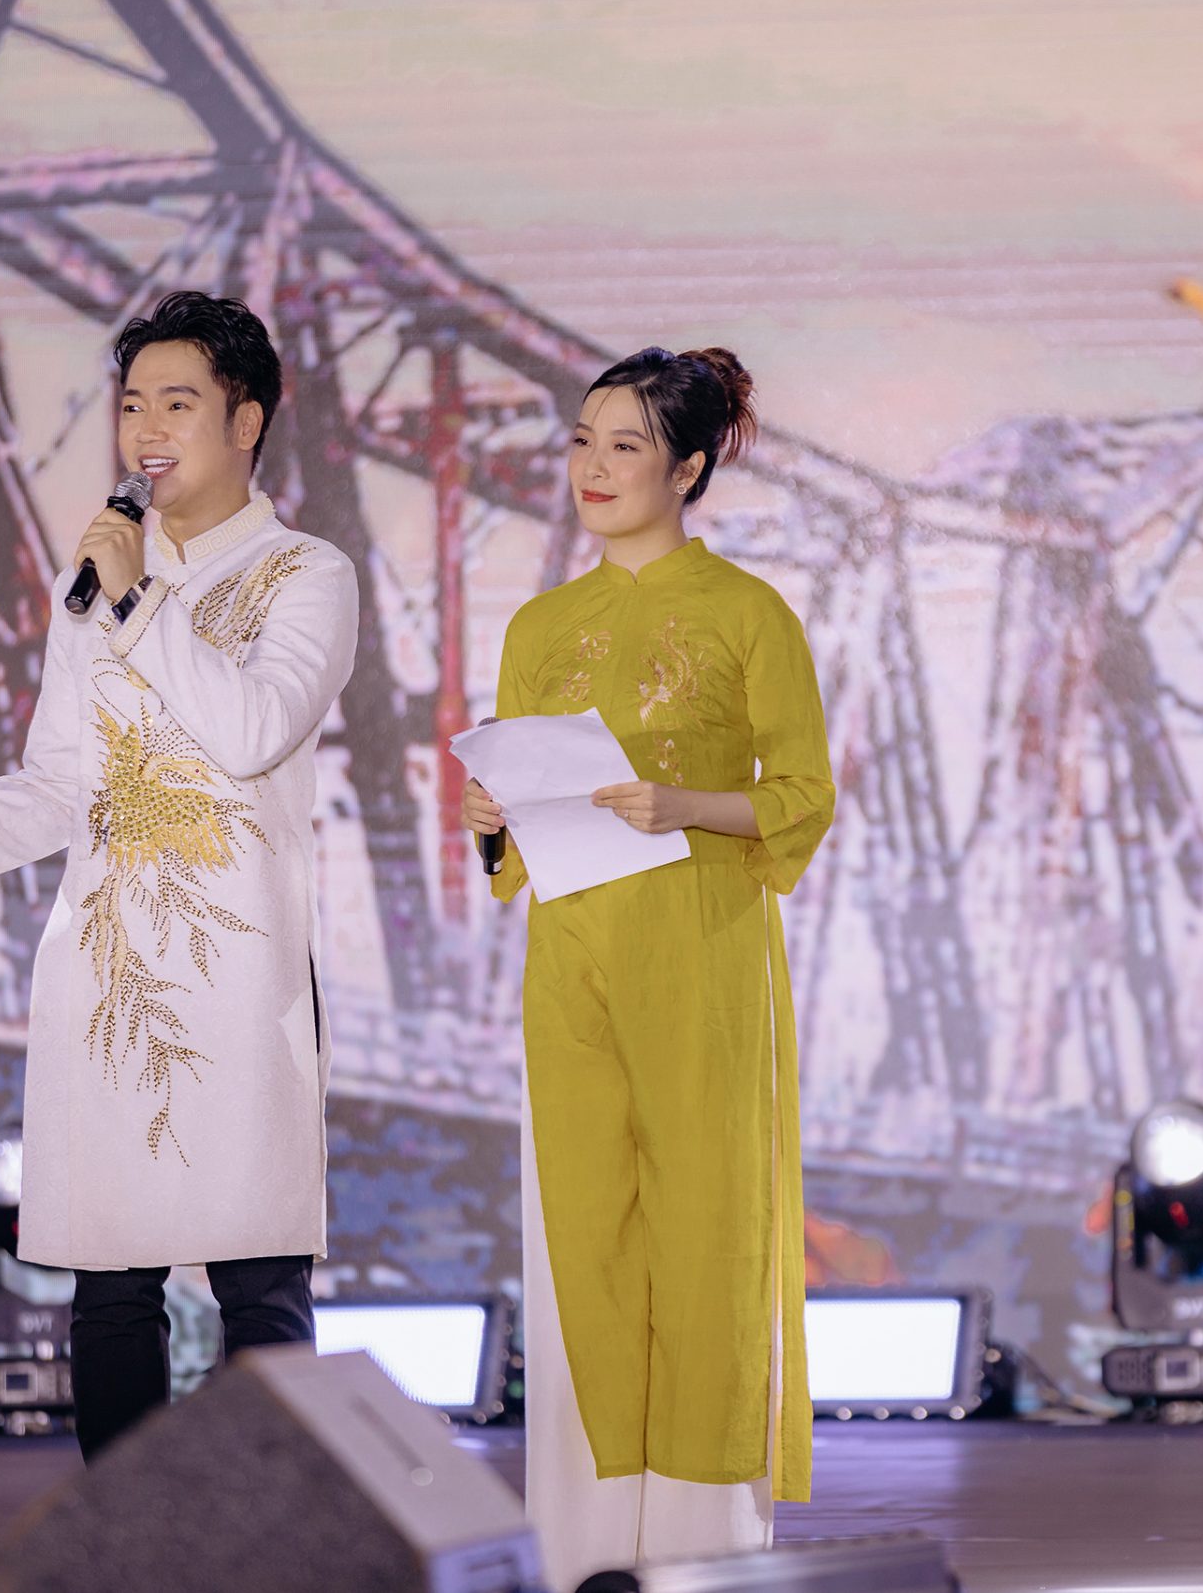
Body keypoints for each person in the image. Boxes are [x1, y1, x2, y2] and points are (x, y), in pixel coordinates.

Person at [0, 290, 358, 1461]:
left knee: (258, 1283)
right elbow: (61, 781)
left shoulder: (306, 573)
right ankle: (126, 1537)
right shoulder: (88, 587)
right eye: (133, 404)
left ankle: (279, 1532)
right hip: (108, 969)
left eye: (178, 403)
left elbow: (252, 730)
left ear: (246, 420)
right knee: (110, 1291)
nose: (147, 429)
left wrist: (137, 599)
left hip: (239, 973)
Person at [462, 346, 835, 1587]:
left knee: (705, 1232)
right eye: (581, 440)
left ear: (688, 468)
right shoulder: (539, 626)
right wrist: (491, 822)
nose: (593, 467)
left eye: (625, 445)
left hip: (701, 960)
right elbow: (516, 826)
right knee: (584, 1233)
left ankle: (701, 1550)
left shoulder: (748, 614)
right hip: (570, 960)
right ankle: (581, 1547)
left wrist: (685, 803)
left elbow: (801, 794)